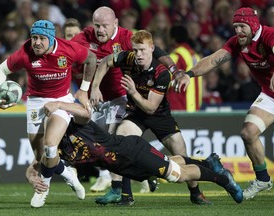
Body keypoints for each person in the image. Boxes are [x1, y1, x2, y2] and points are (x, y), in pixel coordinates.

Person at [26, 100, 243, 205]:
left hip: (131, 152)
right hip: (124, 166)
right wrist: (32, 176)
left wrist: (59, 104)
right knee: (168, 162)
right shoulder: (57, 150)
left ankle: (220, 178)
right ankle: (207, 162)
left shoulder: (78, 125)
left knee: (177, 175)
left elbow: (84, 112)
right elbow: (40, 164)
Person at [72, 6, 182, 193]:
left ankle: (117, 188)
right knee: (94, 143)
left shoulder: (125, 37)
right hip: (95, 100)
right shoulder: (85, 37)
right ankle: (142, 175)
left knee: (116, 142)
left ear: (115, 23)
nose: (100, 30)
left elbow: (155, 52)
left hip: (119, 97)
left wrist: (175, 70)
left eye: (104, 26)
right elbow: (65, 49)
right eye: (97, 25)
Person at [94, 30, 211, 206]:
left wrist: (133, 91)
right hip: (135, 114)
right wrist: (95, 87)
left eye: (142, 50)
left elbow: (150, 108)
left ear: (152, 48)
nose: (138, 54)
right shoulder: (126, 57)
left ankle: (195, 193)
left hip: (160, 116)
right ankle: (124, 195)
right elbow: (105, 61)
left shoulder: (161, 73)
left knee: (182, 154)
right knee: (121, 143)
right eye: (135, 50)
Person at [0, 19, 97, 208]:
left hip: (62, 101)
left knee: (50, 146)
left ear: (50, 38)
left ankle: (43, 190)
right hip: (35, 102)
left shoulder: (69, 49)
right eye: (34, 38)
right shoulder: (25, 53)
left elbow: (91, 59)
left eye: (41, 38)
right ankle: (66, 172)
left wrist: (84, 89)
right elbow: (2, 69)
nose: (37, 42)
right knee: (42, 158)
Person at [173, 7, 274, 200]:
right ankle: (263, 179)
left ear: (253, 25)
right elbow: (212, 60)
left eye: (242, 26)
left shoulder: (270, 35)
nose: (238, 31)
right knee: (248, 132)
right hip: (271, 96)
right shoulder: (237, 42)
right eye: (235, 26)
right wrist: (189, 74)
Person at [166, 25, 203, 111]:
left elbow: (165, 80)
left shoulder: (176, 56)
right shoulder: (195, 56)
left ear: (173, 39)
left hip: (179, 108)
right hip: (195, 108)